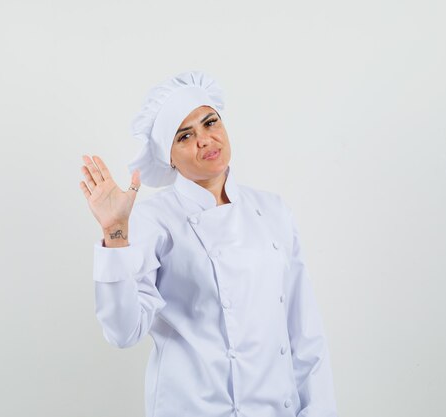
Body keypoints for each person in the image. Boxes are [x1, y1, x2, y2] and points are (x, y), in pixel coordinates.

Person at [79, 71, 338, 417]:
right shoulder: (153, 219)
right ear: (168, 157)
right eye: (185, 136)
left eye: (210, 122)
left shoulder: (274, 211)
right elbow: (123, 331)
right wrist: (115, 233)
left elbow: (304, 333)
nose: (204, 140)